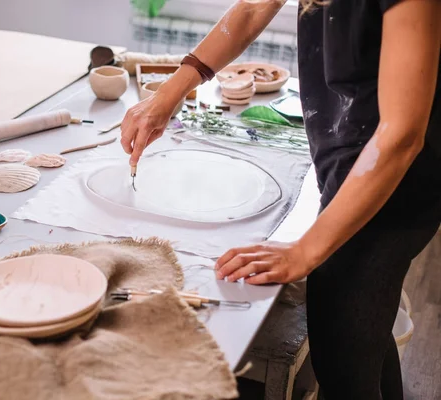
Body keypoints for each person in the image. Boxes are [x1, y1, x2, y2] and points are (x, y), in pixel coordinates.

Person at [119, 0, 441, 398]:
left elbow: (402, 136)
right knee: (365, 332)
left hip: (390, 187)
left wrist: (303, 251)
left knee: (343, 356)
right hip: (349, 157)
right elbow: (254, 8)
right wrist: (170, 91)